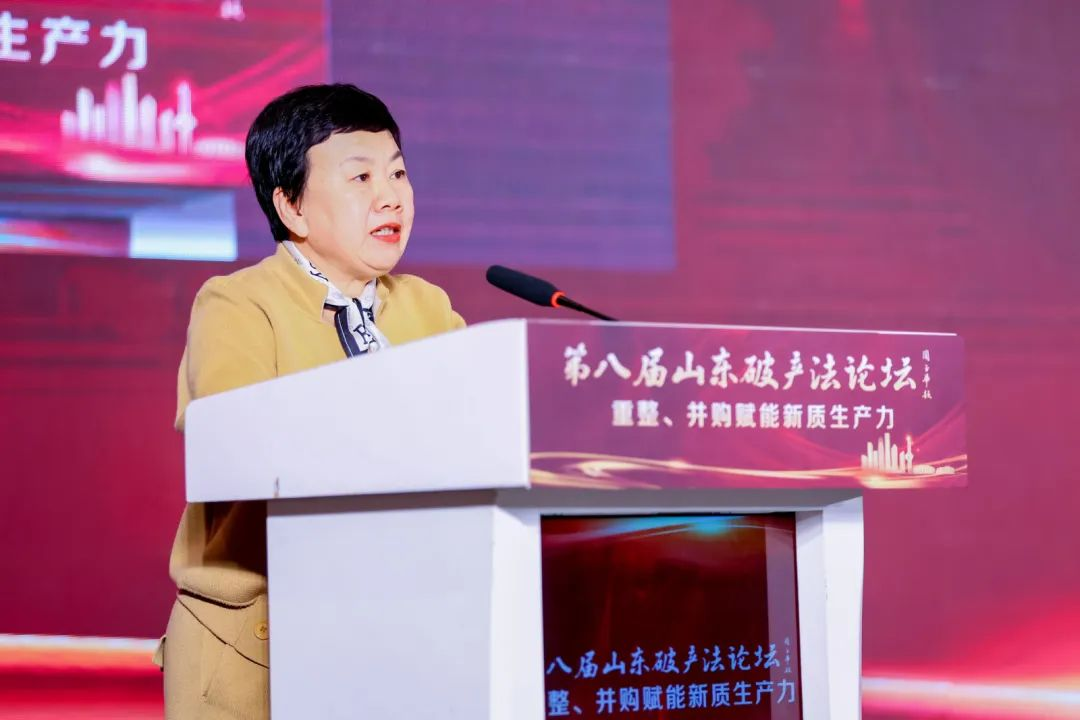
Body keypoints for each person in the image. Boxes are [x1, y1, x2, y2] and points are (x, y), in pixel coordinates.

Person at [156, 84, 465, 719]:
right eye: (361, 177)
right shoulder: (238, 303)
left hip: (396, 633)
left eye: (398, 173)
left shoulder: (427, 306)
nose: (391, 197)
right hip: (255, 644)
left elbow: (483, 431)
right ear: (292, 206)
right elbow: (235, 446)